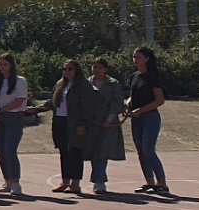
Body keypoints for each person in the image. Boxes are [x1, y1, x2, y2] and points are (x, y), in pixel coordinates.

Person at [71, 58, 126, 195]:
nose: (96, 70)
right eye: (94, 67)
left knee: (102, 151)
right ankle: (96, 179)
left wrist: (109, 120)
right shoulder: (86, 83)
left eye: (100, 67)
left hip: (108, 123)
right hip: (90, 123)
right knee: (92, 151)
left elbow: (117, 103)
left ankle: (99, 181)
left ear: (105, 69)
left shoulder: (113, 84)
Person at [127, 46, 169, 194]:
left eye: (138, 57)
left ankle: (162, 184)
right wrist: (128, 104)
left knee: (148, 150)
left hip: (150, 118)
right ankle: (149, 182)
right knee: (141, 152)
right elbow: (133, 96)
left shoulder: (153, 77)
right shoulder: (134, 76)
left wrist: (140, 110)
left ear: (146, 59)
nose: (135, 60)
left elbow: (159, 100)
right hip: (136, 119)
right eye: (134, 57)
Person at [0, 54, 30, 196]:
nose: (2, 67)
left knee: (9, 150)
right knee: (1, 151)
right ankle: (8, 181)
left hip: (14, 118)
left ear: (11, 65)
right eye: (0, 64)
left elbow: (19, 100)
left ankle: (15, 182)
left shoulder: (20, 81)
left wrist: (2, 109)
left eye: (5, 64)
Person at [48, 60, 87, 193]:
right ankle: (65, 181)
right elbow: (52, 102)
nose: (67, 72)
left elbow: (86, 107)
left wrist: (82, 124)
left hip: (74, 122)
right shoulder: (60, 84)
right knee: (63, 151)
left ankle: (75, 183)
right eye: (65, 69)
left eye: (70, 69)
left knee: (75, 151)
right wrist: (36, 108)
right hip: (60, 120)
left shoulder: (82, 85)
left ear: (76, 70)